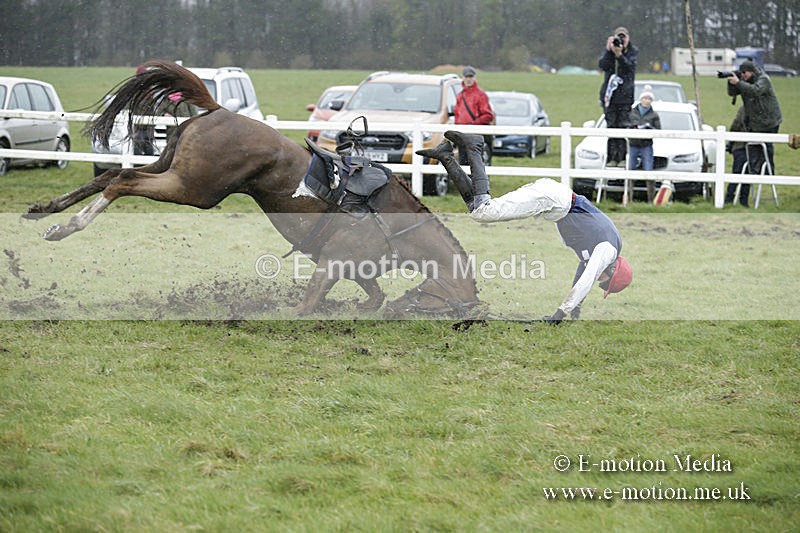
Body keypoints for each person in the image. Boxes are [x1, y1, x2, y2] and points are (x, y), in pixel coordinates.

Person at [417, 131, 632, 324]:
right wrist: (560, 315)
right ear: (612, 272)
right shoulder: (607, 251)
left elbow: (582, 272)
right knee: (485, 211)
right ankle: (474, 147)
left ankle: (446, 155)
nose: (599, 282)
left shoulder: (605, 250)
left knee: (478, 211)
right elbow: (587, 278)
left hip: (553, 198)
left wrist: (574, 310)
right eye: (604, 283)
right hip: (553, 200)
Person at [726, 60, 782, 179]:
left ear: (751, 71)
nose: (743, 75)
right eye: (741, 72)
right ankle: (754, 171)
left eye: (744, 72)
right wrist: (731, 82)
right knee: (753, 147)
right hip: (756, 122)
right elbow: (732, 93)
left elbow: (755, 90)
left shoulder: (763, 79)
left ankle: (768, 171)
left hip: (770, 121)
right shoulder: (744, 82)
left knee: (766, 146)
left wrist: (738, 82)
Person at [598, 26, 639, 167]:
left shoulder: (633, 52)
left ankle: (621, 157)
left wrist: (620, 55)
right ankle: (611, 158)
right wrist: (609, 51)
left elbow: (629, 67)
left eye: (624, 37)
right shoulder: (609, 51)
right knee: (611, 126)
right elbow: (602, 65)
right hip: (610, 97)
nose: (621, 40)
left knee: (622, 126)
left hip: (625, 96)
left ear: (628, 38)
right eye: (618, 37)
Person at [454, 66, 495, 164]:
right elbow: (457, 115)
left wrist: (474, 124)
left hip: (475, 134)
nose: (468, 79)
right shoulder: (460, 95)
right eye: (466, 77)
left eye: (470, 77)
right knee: (463, 162)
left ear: (474, 78)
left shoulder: (481, 95)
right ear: (462, 78)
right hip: (462, 134)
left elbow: (488, 115)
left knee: (476, 163)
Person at [627, 88, 661, 202]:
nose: (647, 101)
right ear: (641, 99)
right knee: (630, 171)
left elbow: (658, 129)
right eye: (645, 98)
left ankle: (650, 200)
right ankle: (629, 198)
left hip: (646, 145)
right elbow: (627, 125)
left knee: (648, 171)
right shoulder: (632, 112)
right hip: (633, 144)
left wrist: (649, 128)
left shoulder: (654, 115)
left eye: (649, 99)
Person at [724, 106, 750, 207]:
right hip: (750, 148)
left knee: (737, 172)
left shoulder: (744, 108)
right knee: (746, 173)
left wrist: (731, 143)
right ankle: (742, 200)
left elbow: (736, 125)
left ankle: (730, 198)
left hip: (740, 146)